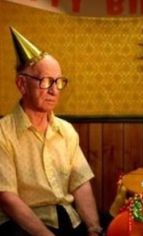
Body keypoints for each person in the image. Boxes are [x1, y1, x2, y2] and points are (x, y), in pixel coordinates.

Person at [0, 27, 103, 236]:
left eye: (58, 81)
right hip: (24, 224)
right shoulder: (3, 133)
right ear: (21, 84)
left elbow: (80, 182)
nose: (54, 90)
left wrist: (93, 228)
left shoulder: (66, 131)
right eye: (45, 81)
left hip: (68, 218)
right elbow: (6, 197)